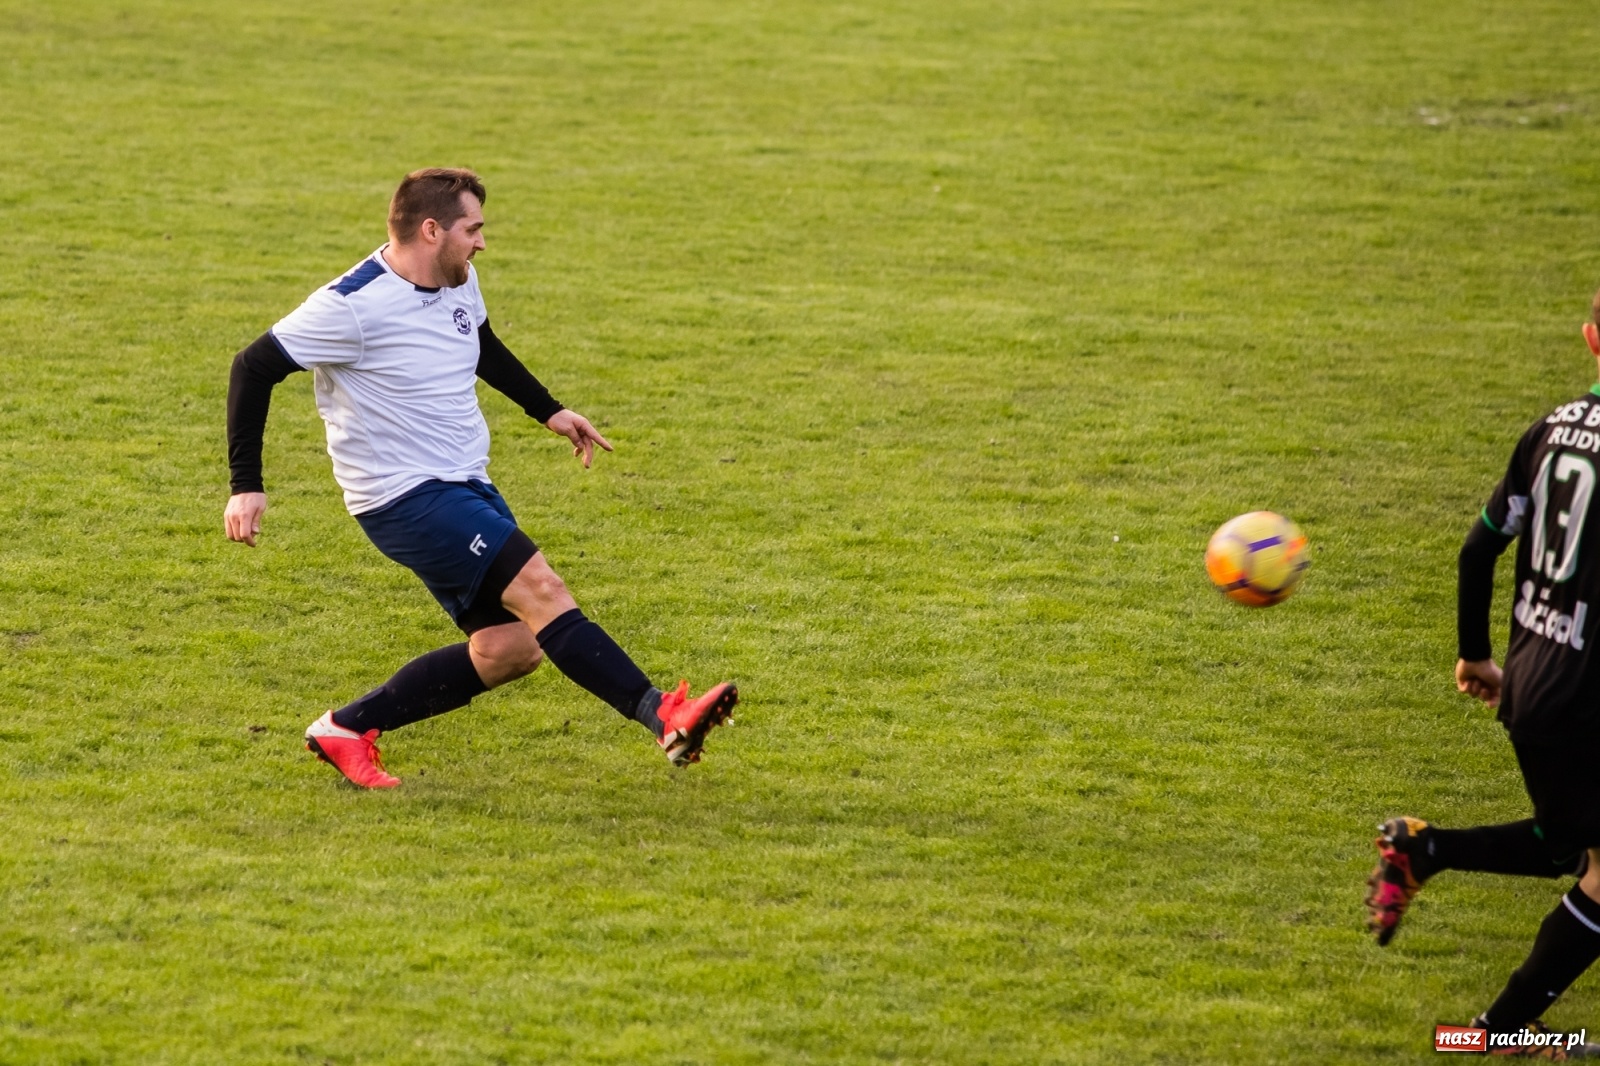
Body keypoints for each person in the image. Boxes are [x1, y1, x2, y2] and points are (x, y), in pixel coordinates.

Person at [223, 167, 738, 789]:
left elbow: (481, 343)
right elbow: (251, 366)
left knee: (511, 648)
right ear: (431, 228)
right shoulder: (351, 306)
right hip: (403, 496)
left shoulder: (457, 278)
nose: (482, 243)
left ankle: (346, 728)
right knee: (543, 589)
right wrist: (245, 484)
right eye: (474, 229)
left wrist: (548, 409)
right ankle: (662, 714)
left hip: (464, 483)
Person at [1365, 291, 1600, 1056]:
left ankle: (1425, 849)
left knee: (1570, 847)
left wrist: (1476, 655)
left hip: (1534, 682)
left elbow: (1477, 549)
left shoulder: (1550, 431)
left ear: (1592, 336)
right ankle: (1496, 1033)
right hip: (1589, 694)